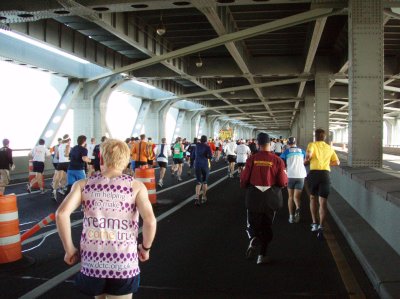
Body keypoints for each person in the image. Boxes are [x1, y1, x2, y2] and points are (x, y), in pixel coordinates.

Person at [56, 138, 156, 298]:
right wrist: (145, 248)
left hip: (92, 264)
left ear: (101, 159)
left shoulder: (83, 185)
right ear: (126, 160)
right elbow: (150, 221)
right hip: (123, 264)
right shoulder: (136, 187)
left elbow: (61, 214)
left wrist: (69, 249)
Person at [240, 133, 287, 265]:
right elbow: (283, 181)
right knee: (267, 226)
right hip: (270, 198)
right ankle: (262, 255)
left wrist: (244, 186)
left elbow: (244, 179)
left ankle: (254, 238)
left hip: (254, 196)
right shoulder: (278, 160)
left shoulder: (252, 159)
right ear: (270, 144)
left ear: (257, 144)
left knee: (252, 223)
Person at [305, 128, 340, 240]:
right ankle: (321, 226)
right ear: (324, 137)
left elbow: (308, 156)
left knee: (312, 199)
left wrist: (306, 161)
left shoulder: (312, 144)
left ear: (315, 136)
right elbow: (337, 162)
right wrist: (326, 163)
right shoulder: (329, 148)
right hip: (325, 174)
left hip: (314, 174)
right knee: (323, 202)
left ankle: (314, 224)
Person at [280, 137, 307, 224]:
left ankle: (291, 217)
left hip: (291, 175)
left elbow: (281, 162)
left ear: (288, 143)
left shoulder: (286, 152)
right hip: (301, 176)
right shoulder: (302, 151)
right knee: (297, 197)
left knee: (290, 197)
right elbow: (307, 160)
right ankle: (298, 207)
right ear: (296, 143)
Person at [192, 135, 212, 206]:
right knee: (205, 182)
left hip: (197, 165)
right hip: (205, 165)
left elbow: (193, 156)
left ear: (200, 140)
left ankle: (197, 198)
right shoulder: (207, 146)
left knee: (198, 182)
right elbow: (210, 156)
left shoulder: (196, 146)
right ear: (206, 140)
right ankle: (203, 197)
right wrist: (206, 156)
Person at [52, 134, 71, 201]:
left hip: (60, 163)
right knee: (65, 178)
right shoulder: (67, 145)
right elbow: (66, 154)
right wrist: (71, 156)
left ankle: (54, 190)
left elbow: (57, 156)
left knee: (58, 178)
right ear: (68, 140)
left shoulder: (60, 146)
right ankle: (62, 189)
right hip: (67, 163)